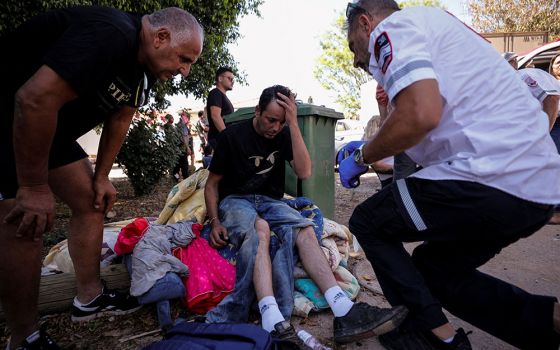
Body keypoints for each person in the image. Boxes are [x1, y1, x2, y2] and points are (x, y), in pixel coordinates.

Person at [340, 1, 560, 349]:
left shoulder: (391, 30)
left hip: (495, 175)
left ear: (366, 23)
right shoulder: (438, 32)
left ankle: (435, 340)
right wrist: (377, 144)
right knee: (435, 270)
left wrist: (362, 155)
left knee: (369, 222)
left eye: (353, 46)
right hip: (538, 188)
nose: (355, 59)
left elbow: (419, 115)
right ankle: (548, 323)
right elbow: (422, 131)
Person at [0, 6, 203, 349]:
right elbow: (33, 99)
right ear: (161, 37)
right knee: (27, 220)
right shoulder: (111, 35)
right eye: (184, 59)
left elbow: (121, 118)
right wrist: (33, 188)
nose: (184, 71)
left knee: (92, 201)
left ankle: (89, 299)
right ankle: (24, 337)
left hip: (51, 130)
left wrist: (103, 176)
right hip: (14, 118)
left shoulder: (144, 70)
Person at [204, 85, 408, 344]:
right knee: (261, 230)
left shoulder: (284, 133)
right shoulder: (232, 136)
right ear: (257, 111)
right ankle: (271, 319)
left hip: (270, 200)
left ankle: (342, 309)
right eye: (270, 120)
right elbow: (212, 185)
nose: (275, 127)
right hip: (236, 200)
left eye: (281, 121)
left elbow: (304, 171)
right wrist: (215, 221)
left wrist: (294, 125)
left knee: (304, 228)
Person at [206, 66, 235, 148]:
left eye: (233, 80)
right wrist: (227, 137)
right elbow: (215, 116)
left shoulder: (222, 96)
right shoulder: (216, 93)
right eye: (230, 78)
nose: (232, 82)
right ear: (220, 78)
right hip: (219, 139)